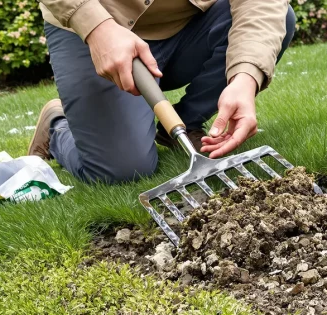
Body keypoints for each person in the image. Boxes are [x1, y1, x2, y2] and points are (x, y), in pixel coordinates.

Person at [28, 0, 294, 183]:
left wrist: (246, 76)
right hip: (96, 26)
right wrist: (97, 28)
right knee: (124, 170)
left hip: (190, 27)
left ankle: (181, 125)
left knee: (281, 20)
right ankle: (57, 126)